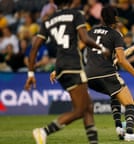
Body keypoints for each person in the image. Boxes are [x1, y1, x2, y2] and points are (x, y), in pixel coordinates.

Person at [24, 0, 109, 144]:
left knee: (88, 106)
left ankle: (94, 142)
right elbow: (85, 38)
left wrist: (31, 74)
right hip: (73, 65)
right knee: (80, 110)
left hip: (60, 67)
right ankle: (44, 131)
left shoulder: (48, 21)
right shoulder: (75, 14)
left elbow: (34, 48)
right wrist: (102, 49)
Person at [84, 6, 134, 142]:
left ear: (101, 18)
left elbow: (77, 51)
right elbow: (122, 60)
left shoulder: (90, 31)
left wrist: (57, 69)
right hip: (106, 73)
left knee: (114, 94)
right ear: (115, 18)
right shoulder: (115, 34)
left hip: (88, 75)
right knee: (130, 104)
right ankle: (130, 132)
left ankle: (119, 127)